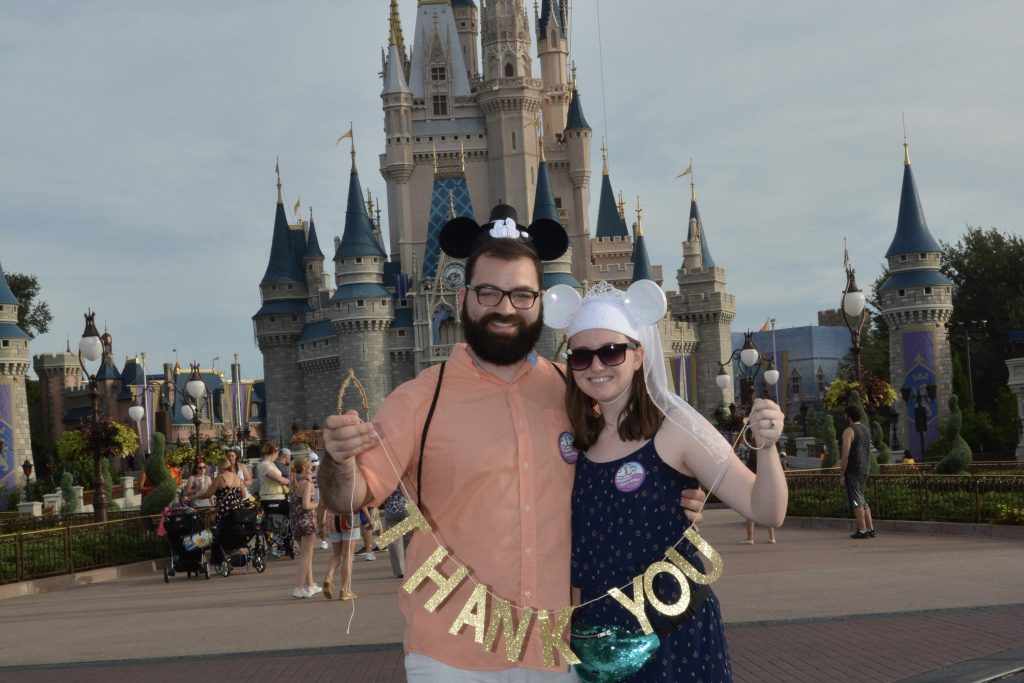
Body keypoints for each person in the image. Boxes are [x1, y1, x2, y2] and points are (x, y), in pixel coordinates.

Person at [319, 205, 707, 680]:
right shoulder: (421, 398)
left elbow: (629, 468)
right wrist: (338, 462)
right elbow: (349, 496)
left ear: (541, 302)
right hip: (452, 657)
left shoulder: (574, 392)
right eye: (489, 292)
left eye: (522, 295)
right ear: (463, 296)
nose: (505, 308)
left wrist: (673, 499)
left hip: (558, 654)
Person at [544, 279, 787, 682]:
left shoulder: (675, 428)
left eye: (611, 352)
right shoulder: (576, 440)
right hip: (598, 643)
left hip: (675, 639)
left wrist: (767, 447)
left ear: (638, 355)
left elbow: (767, 510)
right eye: (582, 357)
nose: (597, 366)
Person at [183, 460, 247, 567]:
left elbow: (207, 494)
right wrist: (235, 502)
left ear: (221, 468)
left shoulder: (220, 479)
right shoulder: (238, 478)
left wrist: (192, 497)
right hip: (237, 511)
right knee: (232, 531)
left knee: (217, 533)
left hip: (224, 512)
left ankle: (217, 558)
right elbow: (244, 495)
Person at [289, 454, 322, 598]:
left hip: (296, 522)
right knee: (306, 556)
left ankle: (311, 584)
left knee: (307, 555)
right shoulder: (307, 484)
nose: (313, 469)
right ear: (306, 468)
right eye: (311, 467)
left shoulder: (294, 482)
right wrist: (319, 505)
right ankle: (298, 587)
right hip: (307, 521)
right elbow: (306, 505)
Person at [841, 404, 876, 539]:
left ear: (849, 416)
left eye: (845, 414)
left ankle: (862, 530)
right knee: (861, 498)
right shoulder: (866, 429)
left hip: (853, 469)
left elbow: (845, 455)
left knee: (856, 500)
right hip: (865, 468)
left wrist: (842, 473)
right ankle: (870, 528)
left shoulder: (849, 431)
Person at [317, 500, 360, 600]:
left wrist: (319, 525)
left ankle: (329, 577)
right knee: (347, 556)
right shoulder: (350, 483)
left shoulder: (326, 484)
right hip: (348, 518)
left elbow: (321, 505)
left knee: (336, 554)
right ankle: (345, 589)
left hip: (332, 519)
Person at [257, 442, 290, 558]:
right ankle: (272, 548)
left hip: (279, 496)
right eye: (277, 453)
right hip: (270, 497)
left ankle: (284, 545)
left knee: (286, 520)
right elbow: (279, 479)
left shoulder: (272, 464)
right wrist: (292, 482)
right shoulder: (265, 465)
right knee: (270, 523)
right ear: (274, 452)